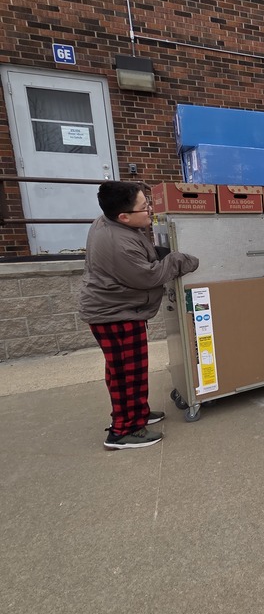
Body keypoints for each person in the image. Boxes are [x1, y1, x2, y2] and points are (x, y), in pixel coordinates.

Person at [79, 181, 199, 450]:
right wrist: (179, 260)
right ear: (124, 216)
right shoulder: (117, 243)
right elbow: (149, 276)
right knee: (125, 374)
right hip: (114, 316)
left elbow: (140, 259)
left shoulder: (110, 222)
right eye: (145, 208)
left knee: (131, 369)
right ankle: (123, 432)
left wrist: (156, 253)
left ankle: (138, 413)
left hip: (118, 310)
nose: (150, 211)